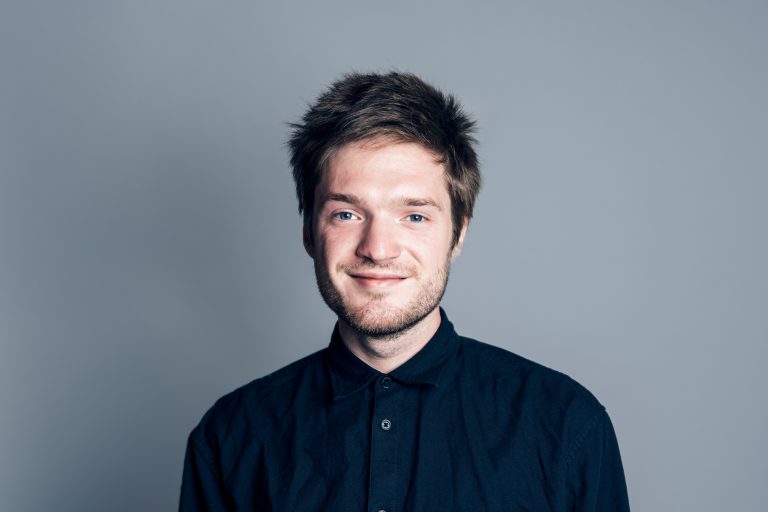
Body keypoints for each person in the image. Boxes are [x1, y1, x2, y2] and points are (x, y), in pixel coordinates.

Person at [179, 72, 630, 511]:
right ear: (309, 233)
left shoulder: (565, 423)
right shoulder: (230, 437)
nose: (377, 249)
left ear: (458, 234)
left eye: (414, 216)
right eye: (346, 214)